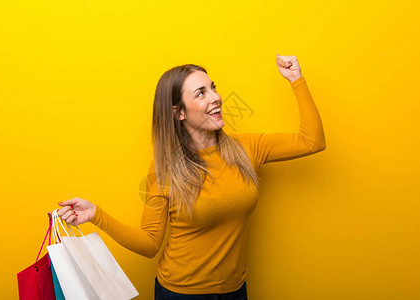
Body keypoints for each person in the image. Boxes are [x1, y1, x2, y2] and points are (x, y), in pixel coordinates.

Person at [56, 54, 326, 299]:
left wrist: (296, 80)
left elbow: (311, 141)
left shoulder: (247, 148)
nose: (215, 97)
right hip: (180, 294)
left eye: (213, 88)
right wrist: (97, 215)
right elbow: (150, 242)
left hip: (235, 290)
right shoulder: (163, 169)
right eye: (201, 93)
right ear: (179, 112)